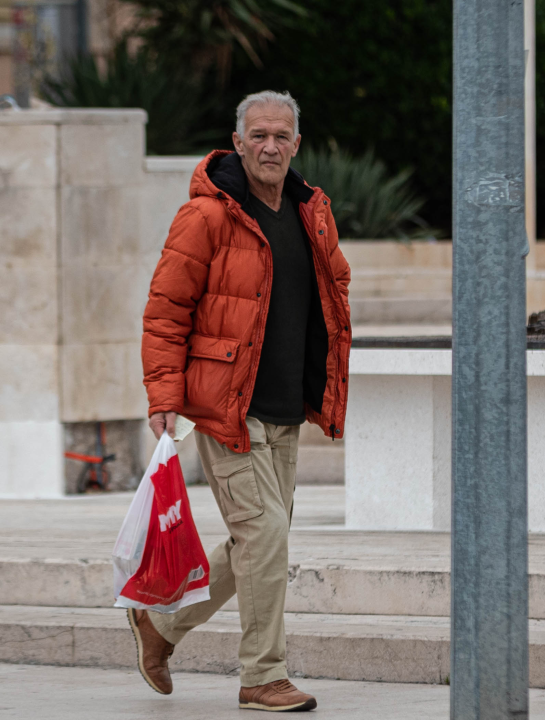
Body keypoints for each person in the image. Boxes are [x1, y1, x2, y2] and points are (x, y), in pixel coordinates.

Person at [134, 90, 351, 712]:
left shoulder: (312, 213)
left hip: (286, 408)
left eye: (281, 136)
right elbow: (165, 311)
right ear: (238, 142)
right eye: (258, 135)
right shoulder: (206, 217)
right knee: (265, 537)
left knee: (260, 540)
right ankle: (263, 675)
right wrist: (163, 393)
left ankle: (161, 626)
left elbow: (332, 302)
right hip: (225, 407)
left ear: (297, 145)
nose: (270, 146)